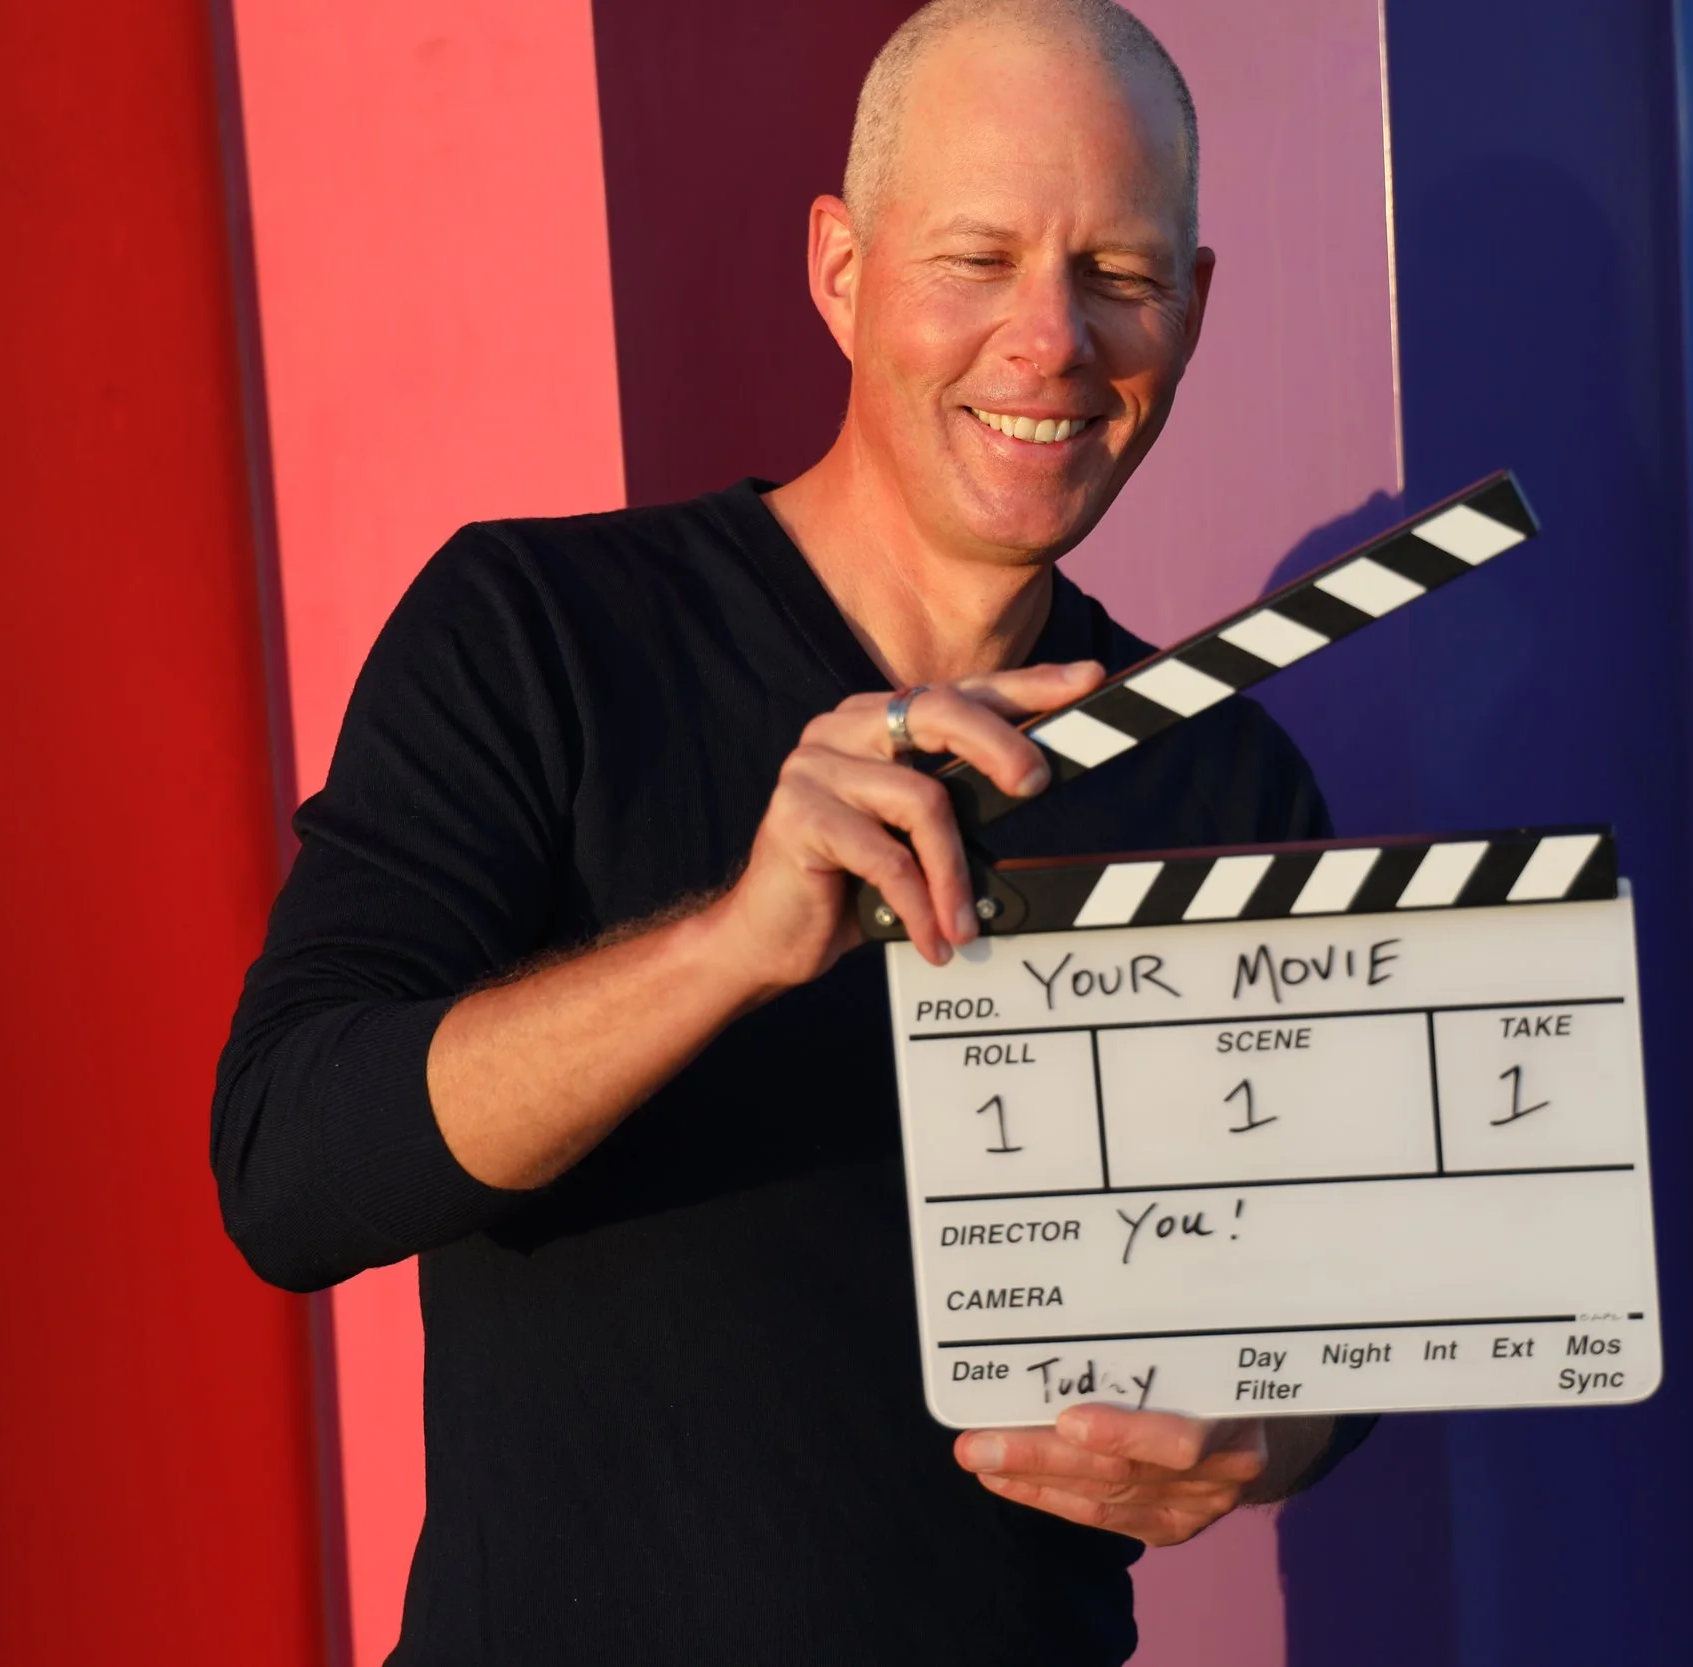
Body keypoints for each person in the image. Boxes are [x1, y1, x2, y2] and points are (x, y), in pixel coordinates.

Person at [213, 1, 1367, 1660]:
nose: (1050, 339)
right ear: (841, 269)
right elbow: (292, 1167)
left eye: (1116, 273)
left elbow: (1340, 1304)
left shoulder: (1227, 783)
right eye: (977, 259)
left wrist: (1268, 1436)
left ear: (1191, 307)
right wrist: (730, 943)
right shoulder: (538, 634)